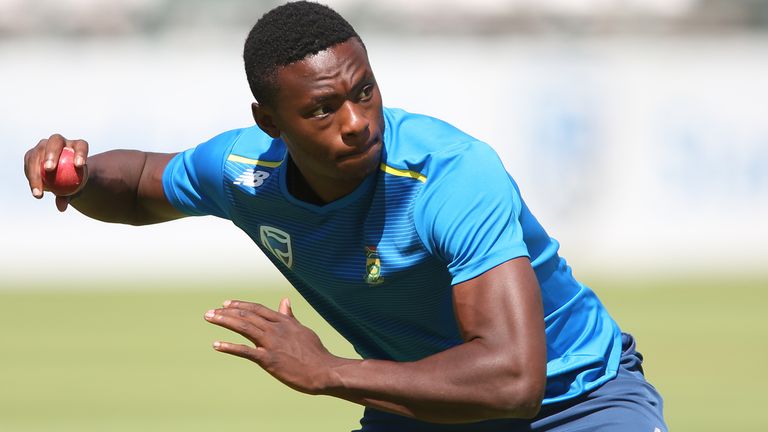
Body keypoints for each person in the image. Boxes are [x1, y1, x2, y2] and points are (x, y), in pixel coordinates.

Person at [23, 2, 666, 431]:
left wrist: (325, 370)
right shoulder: (247, 169)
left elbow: (514, 379)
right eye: (324, 109)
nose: (358, 123)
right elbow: (136, 185)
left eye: (365, 91)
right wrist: (77, 174)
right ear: (270, 123)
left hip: (577, 403)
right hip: (416, 410)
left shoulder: (452, 174)